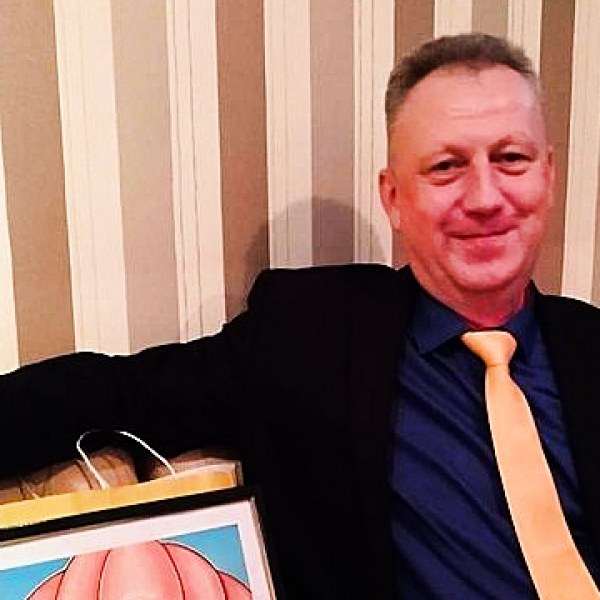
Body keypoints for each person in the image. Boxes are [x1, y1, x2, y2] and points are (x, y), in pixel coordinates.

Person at [1, 33, 599, 599]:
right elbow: (119, 393)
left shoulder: (589, 343)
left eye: (512, 158)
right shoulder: (306, 333)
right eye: (446, 166)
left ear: (548, 176)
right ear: (394, 197)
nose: (486, 197)